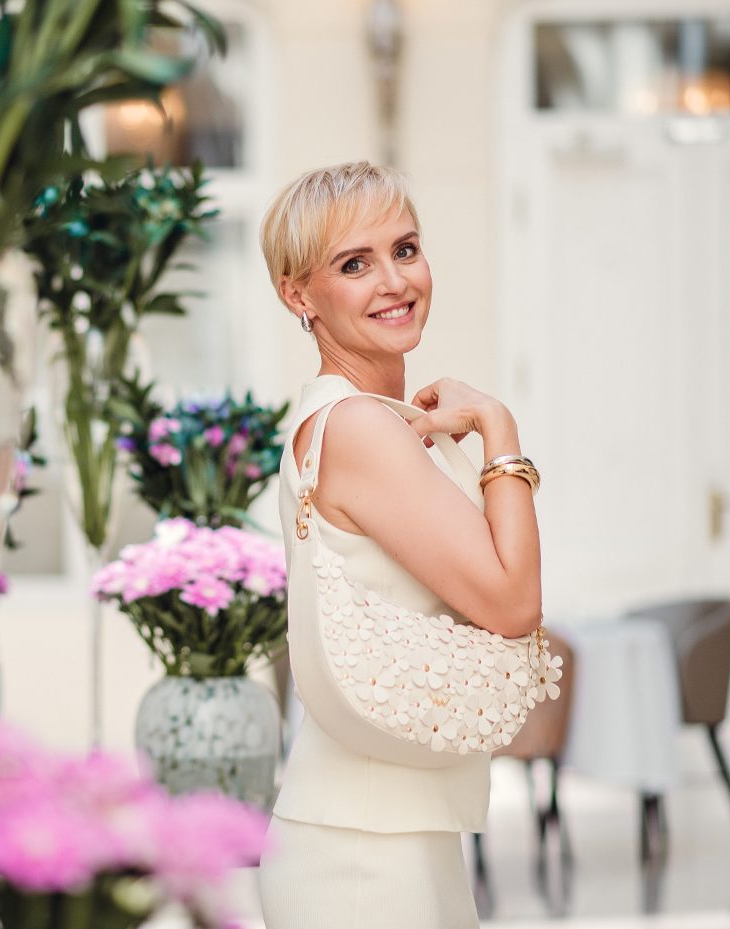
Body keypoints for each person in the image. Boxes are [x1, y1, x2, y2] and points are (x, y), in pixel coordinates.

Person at [256, 161, 543, 928]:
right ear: (298, 294)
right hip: (363, 853)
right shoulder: (358, 427)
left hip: (387, 829)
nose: (394, 281)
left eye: (405, 249)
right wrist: (499, 427)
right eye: (354, 264)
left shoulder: (357, 417)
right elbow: (513, 602)